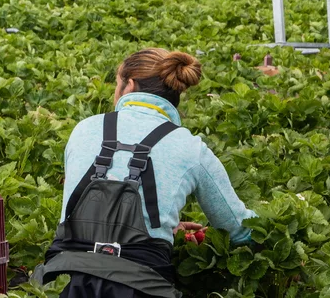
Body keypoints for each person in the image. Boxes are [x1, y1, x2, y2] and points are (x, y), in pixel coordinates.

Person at [34, 48, 255, 298]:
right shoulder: (191, 147)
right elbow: (240, 230)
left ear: (129, 85)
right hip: (142, 286)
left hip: (67, 278)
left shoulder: (84, 129)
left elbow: (88, 209)